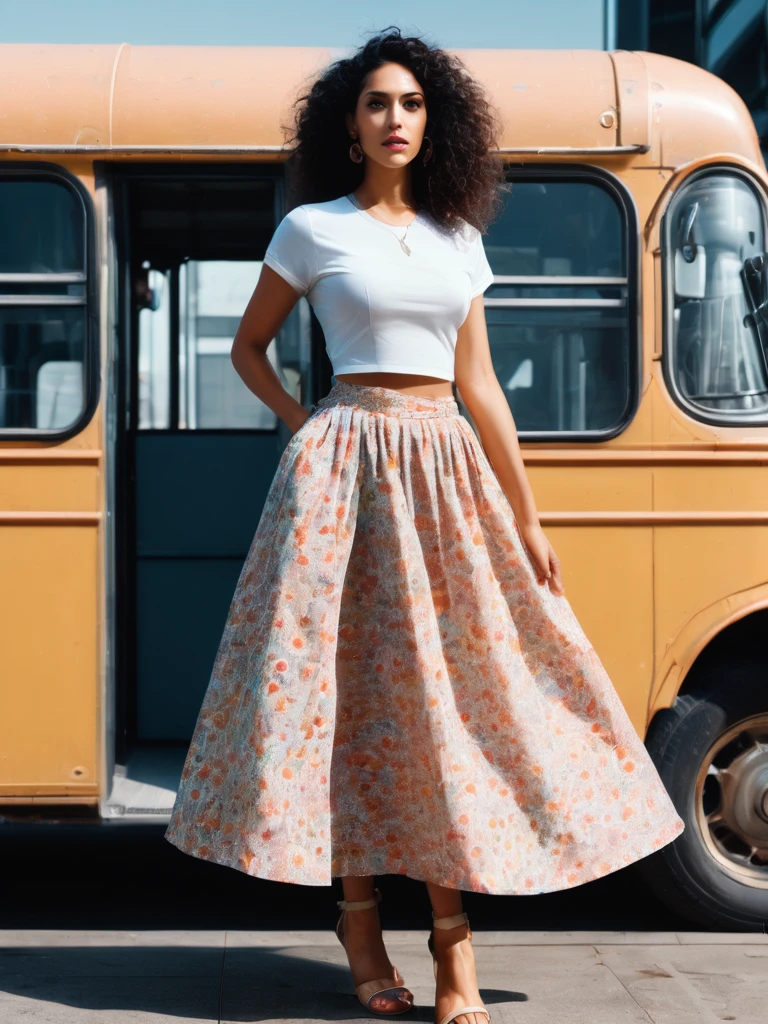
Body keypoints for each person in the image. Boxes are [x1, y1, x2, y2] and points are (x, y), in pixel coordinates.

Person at [164, 26, 685, 1024]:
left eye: (410, 103)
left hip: (446, 471)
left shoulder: (460, 238)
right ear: (349, 125)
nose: (394, 118)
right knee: (349, 702)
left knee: (447, 704)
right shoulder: (313, 229)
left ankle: (455, 957)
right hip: (343, 472)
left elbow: (481, 386)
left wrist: (526, 518)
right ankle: (361, 925)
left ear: (431, 120)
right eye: (376, 104)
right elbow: (248, 347)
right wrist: (306, 424)